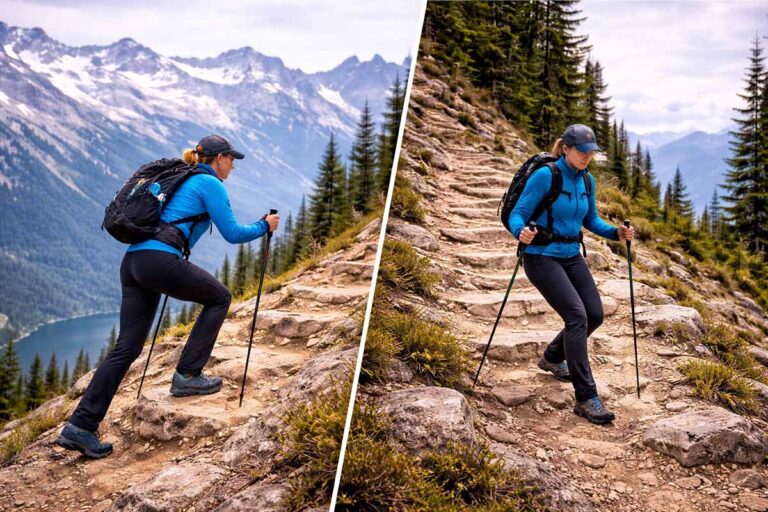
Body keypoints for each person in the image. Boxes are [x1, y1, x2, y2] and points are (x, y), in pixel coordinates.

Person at [56, 134, 279, 458]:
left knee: (126, 347)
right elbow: (232, 233)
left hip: (133, 263)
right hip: (160, 261)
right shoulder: (210, 184)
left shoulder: (184, 178)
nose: (233, 166)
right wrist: (264, 225)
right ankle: (187, 375)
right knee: (219, 298)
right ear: (219, 158)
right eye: (232, 159)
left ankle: (80, 425)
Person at [508, 124, 634, 425]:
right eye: (582, 151)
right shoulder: (546, 176)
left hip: (571, 255)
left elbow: (591, 219)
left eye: (591, 152)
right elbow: (518, 213)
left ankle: (552, 357)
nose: (587, 156)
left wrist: (616, 233)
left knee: (595, 314)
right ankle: (586, 397)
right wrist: (520, 232)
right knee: (577, 316)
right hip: (541, 257)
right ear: (565, 148)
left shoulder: (587, 180)